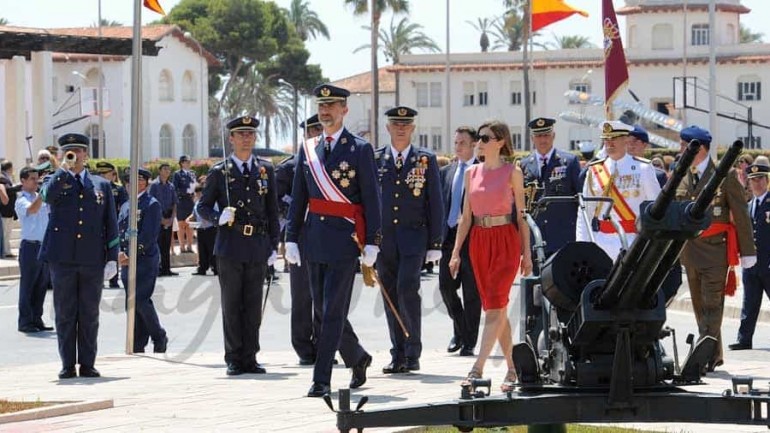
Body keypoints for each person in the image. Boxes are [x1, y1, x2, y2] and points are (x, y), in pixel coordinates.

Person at [284, 83, 380, 397]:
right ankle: (357, 357)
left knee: (332, 311)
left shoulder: (359, 149)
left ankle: (321, 378)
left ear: (344, 110)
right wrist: (292, 237)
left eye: (332, 106)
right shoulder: (308, 148)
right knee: (321, 311)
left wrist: (373, 242)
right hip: (314, 239)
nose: (325, 111)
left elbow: (372, 199)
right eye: (321, 106)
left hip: (344, 240)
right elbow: (299, 196)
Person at [448, 120, 532, 392]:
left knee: (495, 305)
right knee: (496, 309)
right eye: (479, 139)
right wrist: (456, 252)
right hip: (479, 242)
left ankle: (477, 369)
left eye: (484, 138)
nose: (479, 143)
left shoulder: (513, 173)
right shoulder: (471, 173)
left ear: (500, 142)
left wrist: (527, 255)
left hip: (506, 240)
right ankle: (512, 369)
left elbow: (522, 218)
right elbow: (465, 217)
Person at [196, 115, 280, 377]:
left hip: (257, 243)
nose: (246, 138)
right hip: (230, 244)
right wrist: (217, 217)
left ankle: (250, 356)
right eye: (240, 134)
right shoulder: (219, 172)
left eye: (250, 134)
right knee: (232, 304)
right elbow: (202, 206)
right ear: (231, 139)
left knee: (253, 305)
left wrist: (274, 246)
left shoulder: (265, 170)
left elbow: (272, 210)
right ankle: (233, 357)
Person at [675, 125, 756, 372]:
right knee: (699, 306)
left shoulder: (725, 174)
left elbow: (741, 215)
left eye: (684, 145)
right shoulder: (682, 173)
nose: (680, 149)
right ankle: (713, 354)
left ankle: (702, 355)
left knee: (712, 304)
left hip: (715, 250)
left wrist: (748, 251)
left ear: (698, 148)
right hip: (690, 250)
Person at [39, 133, 119, 379]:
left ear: (86, 154)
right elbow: (45, 197)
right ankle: (67, 364)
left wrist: (112, 257)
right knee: (65, 312)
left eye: (79, 151)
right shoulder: (55, 178)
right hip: (62, 258)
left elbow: (111, 223)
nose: (75, 156)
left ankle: (87, 363)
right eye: (69, 152)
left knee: (89, 313)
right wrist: (63, 170)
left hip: (92, 258)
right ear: (62, 155)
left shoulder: (101, 185)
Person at [374, 106, 443, 374]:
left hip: (414, 238)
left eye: (406, 124)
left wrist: (435, 243)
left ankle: (413, 350)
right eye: (395, 123)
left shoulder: (425, 160)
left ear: (413, 128)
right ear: (388, 127)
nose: (400, 128)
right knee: (390, 295)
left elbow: (434, 202)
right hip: (384, 241)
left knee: (407, 289)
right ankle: (397, 354)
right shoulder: (376, 158)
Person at [276, 114, 324, 365]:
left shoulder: (332, 162)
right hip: (302, 236)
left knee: (324, 295)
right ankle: (304, 347)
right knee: (303, 294)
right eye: (311, 131)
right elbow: (276, 199)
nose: (315, 135)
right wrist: (294, 210)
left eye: (320, 130)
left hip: (327, 236)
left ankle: (324, 344)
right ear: (304, 135)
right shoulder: (289, 167)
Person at [576, 121, 662, 260]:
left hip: (634, 240)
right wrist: (582, 244)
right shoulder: (595, 170)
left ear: (626, 139)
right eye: (606, 139)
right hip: (601, 241)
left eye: (614, 138)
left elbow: (656, 208)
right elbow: (585, 211)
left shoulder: (643, 168)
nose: (609, 143)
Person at [438, 126, 481, 358]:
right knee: (446, 287)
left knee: (472, 293)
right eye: (455, 142)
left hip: (473, 238)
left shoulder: (481, 170)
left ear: (474, 144)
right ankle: (461, 329)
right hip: (449, 237)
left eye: (462, 142)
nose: (458, 147)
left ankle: (469, 341)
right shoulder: (447, 171)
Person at [118, 167, 168, 353]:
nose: (135, 184)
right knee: (130, 302)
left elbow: (148, 235)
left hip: (145, 259)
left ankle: (158, 335)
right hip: (126, 260)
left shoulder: (151, 204)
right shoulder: (125, 205)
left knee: (140, 300)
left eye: (140, 180)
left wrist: (132, 254)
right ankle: (138, 341)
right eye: (131, 181)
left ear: (146, 183)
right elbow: (119, 232)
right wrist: (119, 253)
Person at [519, 117, 581, 261]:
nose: (543, 140)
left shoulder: (569, 161)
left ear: (553, 136)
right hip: (536, 237)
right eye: (539, 136)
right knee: (537, 281)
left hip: (563, 236)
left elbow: (580, 198)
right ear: (532, 138)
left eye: (546, 135)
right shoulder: (523, 165)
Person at [729, 163, 770, 351]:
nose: (757, 183)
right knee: (749, 303)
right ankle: (744, 339)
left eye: (760, 179)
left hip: (769, 263)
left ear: (767, 181)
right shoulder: (747, 206)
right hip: (751, 263)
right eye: (753, 180)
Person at [15, 166, 52, 333]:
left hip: (43, 246)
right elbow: (33, 209)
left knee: (41, 285)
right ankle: (25, 322)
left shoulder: (40, 196)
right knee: (28, 286)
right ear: (23, 181)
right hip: (30, 246)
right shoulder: (21, 199)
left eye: (37, 178)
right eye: (32, 179)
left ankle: (37, 319)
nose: (36, 181)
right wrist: (44, 193)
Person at [95, 161, 128, 288]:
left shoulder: (118, 189)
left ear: (112, 175)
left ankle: (113, 279)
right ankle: (99, 279)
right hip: (97, 225)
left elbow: (124, 206)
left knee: (113, 249)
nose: (102, 176)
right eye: (100, 173)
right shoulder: (93, 188)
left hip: (113, 224)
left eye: (105, 173)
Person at [149, 163, 178, 277]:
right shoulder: (154, 185)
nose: (167, 171)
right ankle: (158, 268)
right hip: (157, 217)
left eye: (168, 169)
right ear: (159, 171)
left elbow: (175, 202)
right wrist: (160, 219)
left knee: (167, 244)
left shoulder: (171, 186)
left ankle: (167, 268)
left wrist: (172, 218)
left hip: (169, 216)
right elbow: (151, 202)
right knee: (158, 244)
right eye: (164, 169)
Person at [190, 179, 217, 276]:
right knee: (202, 250)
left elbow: (215, 215)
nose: (198, 196)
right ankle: (202, 268)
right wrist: (188, 220)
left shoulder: (211, 203)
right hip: (200, 229)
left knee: (211, 249)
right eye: (196, 194)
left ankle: (215, 268)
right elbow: (193, 215)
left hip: (210, 228)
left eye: (199, 193)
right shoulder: (197, 204)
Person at [173, 155, 197, 254]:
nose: (188, 163)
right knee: (181, 225)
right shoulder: (177, 174)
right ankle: (182, 247)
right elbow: (175, 188)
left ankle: (190, 246)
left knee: (190, 225)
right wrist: (186, 191)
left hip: (191, 202)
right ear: (181, 163)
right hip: (181, 202)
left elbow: (196, 185)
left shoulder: (193, 173)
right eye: (186, 161)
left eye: (189, 161)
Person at [0, 159, 18, 257]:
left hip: (9, 209)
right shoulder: (2, 178)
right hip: (5, 210)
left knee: (7, 232)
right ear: (9, 168)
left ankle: (6, 250)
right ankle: (5, 251)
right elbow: (8, 190)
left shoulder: (6, 177)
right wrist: (19, 187)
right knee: (5, 232)